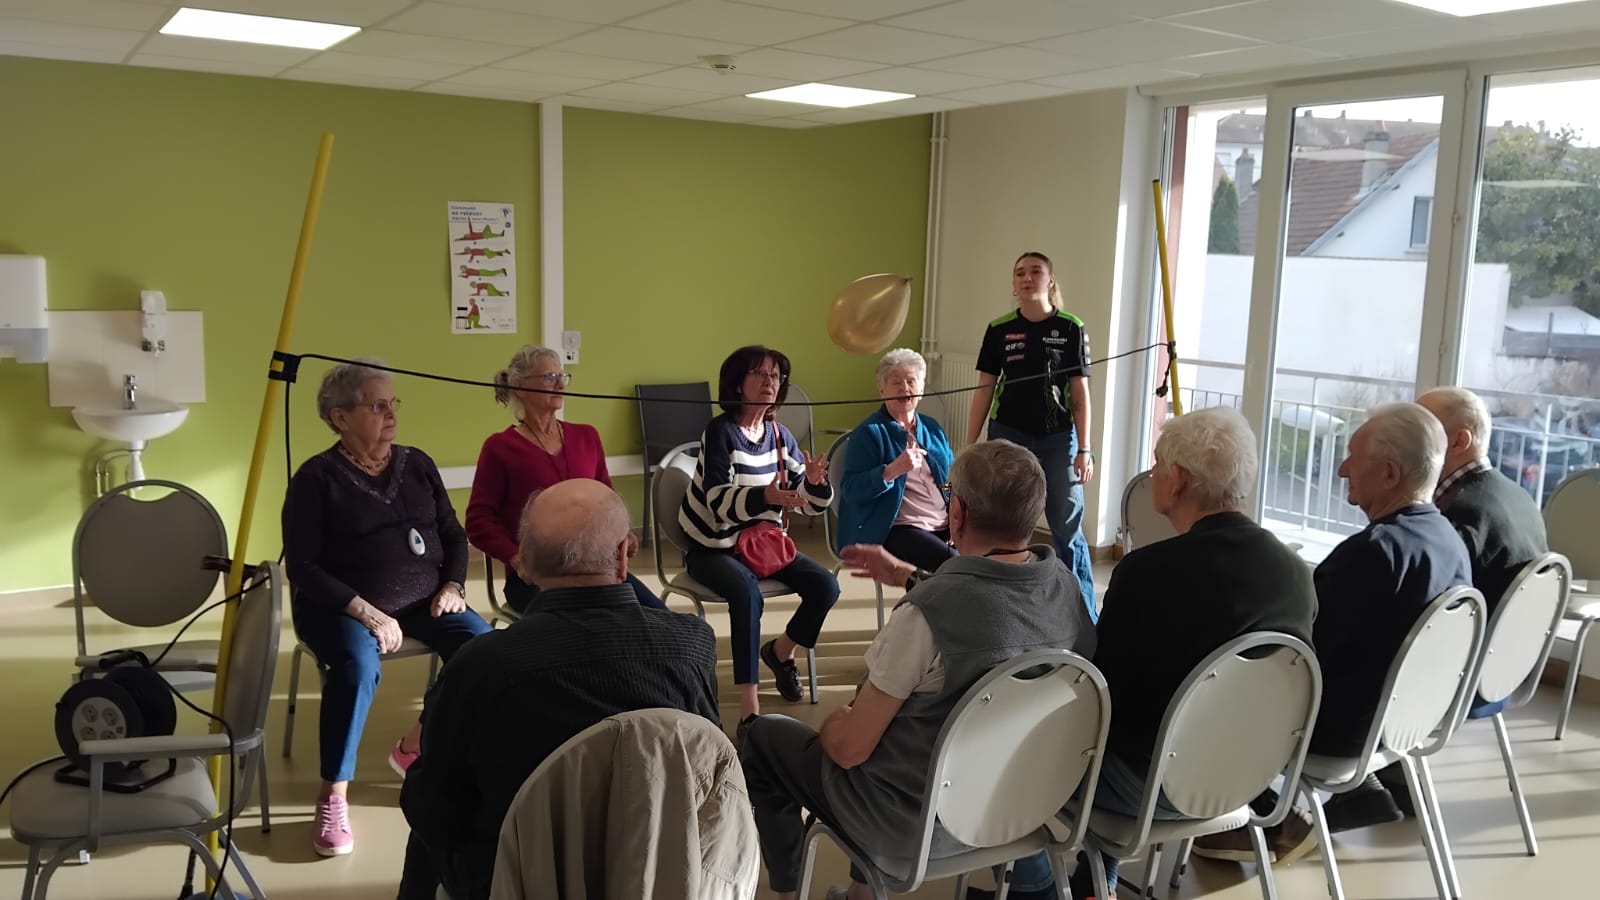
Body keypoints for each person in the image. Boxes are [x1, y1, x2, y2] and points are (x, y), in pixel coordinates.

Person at [740, 440, 1097, 900]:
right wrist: (911, 576)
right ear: (1034, 513)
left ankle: (788, 893)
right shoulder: (1068, 591)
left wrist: (835, 722)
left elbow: (849, 750)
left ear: (958, 515)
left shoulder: (925, 616)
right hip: (1025, 805)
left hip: (914, 824)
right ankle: (859, 892)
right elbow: (998, 604)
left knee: (768, 738)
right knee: (902, 722)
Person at [993, 408, 1319, 898]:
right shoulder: (1295, 574)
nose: (1152, 475)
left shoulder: (1149, 573)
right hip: (1247, 776)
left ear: (1180, 480)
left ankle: (1034, 889)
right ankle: (1095, 874)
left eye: (1158, 463)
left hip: (1154, 787)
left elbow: (1101, 698)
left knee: (1007, 736)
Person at [397, 479, 721, 900]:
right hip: (660, 869)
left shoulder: (480, 666)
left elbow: (431, 802)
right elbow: (707, 764)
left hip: (520, 879)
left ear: (526, 566)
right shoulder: (692, 645)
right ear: (625, 555)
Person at [1197, 402, 1473, 859]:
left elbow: (1300, 654)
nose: (1343, 468)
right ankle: (1329, 801)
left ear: (1387, 473)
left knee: (1210, 679)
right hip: (1404, 721)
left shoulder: (1374, 555)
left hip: (1343, 732)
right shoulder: (1449, 540)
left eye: (1352, 456)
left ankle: (1264, 816)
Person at [283, 359, 493, 858]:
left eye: (391, 403)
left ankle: (418, 740)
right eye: (377, 405)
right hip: (340, 605)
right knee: (357, 667)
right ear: (339, 418)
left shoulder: (417, 463)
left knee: (485, 650)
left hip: (426, 599)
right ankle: (333, 795)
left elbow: (452, 533)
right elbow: (304, 568)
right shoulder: (316, 479)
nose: (390, 414)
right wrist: (365, 611)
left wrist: (454, 586)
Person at [679, 346, 840, 736]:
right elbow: (717, 503)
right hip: (712, 546)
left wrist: (816, 485)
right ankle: (749, 707)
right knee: (746, 593)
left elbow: (806, 505)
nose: (770, 383)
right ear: (738, 383)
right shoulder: (720, 432)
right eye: (760, 374)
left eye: (776, 377)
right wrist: (764, 498)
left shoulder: (780, 435)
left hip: (763, 544)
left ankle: (781, 653)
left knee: (826, 585)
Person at [465, 344, 664, 613]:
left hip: (598, 573)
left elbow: (607, 498)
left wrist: (623, 532)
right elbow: (478, 521)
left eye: (563, 376)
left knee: (660, 619)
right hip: (538, 578)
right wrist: (516, 557)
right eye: (550, 377)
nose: (560, 384)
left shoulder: (586, 436)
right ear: (519, 386)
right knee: (585, 632)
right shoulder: (500, 448)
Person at [967, 251, 1097, 618]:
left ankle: (1084, 613)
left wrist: (1085, 449)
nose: (1027, 278)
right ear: (1013, 283)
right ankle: (1002, 608)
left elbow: (1081, 394)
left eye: (1035, 272)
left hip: (1058, 438)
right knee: (1001, 521)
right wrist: (971, 444)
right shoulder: (999, 329)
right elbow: (984, 390)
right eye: (1020, 273)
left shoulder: (1072, 327)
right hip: (1008, 435)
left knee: (1066, 525)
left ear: (1050, 280)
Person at [1417, 387, 1550, 617]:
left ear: (1459, 441)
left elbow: (1425, 615)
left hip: (1463, 647)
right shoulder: (1520, 497)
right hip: (1506, 647)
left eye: (1420, 434)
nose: (1408, 445)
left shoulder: (1457, 515)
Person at [836, 348, 957, 574]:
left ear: (921, 389)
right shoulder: (869, 433)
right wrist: (891, 471)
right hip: (894, 529)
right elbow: (851, 490)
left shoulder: (932, 428)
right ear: (882, 390)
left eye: (911, 381)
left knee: (982, 556)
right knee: (955, 566)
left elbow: (949, 482)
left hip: (943, 525)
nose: (904, 388)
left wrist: (956, 517)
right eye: (895, 383)